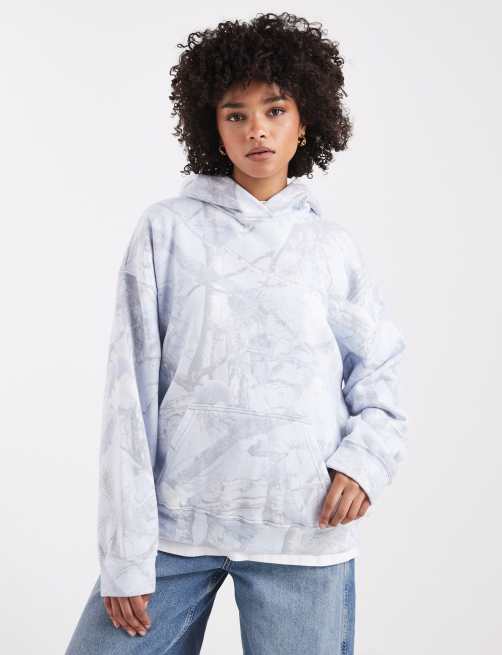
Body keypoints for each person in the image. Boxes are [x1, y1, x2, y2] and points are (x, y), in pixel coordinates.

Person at [64, 11, 408, 655]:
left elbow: (380, 372)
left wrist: (364, 464)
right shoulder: (168, 230)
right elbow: (128, 395)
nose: (257, 130)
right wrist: (124, 552)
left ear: (305, 121)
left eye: (275, 110)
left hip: (302, 527)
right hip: (176, 528)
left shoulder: (330, 247)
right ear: (211, 128)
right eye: (235, 114)